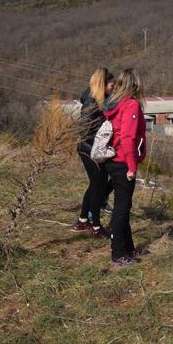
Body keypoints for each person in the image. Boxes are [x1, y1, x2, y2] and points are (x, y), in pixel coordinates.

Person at [103, 68, 146, 266]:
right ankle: (118, 253)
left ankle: (128, 249)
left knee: (124, 206)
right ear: (135, 84)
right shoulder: (131, 105)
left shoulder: (115, 104)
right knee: (121, 208)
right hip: (122, 161)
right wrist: (131, 166)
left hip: (114, 159)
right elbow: (128, 138)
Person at [73, 67, 115, 238]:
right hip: (89, 149)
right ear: (102, 84)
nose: (113, 87)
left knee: (95, 184)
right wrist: (97, 148)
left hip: (93, 148)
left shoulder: (100, 100)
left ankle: (83, 221)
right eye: (111, 84)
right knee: (98, 186)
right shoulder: (92, 103)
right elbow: (84, 130)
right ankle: (96, 227)